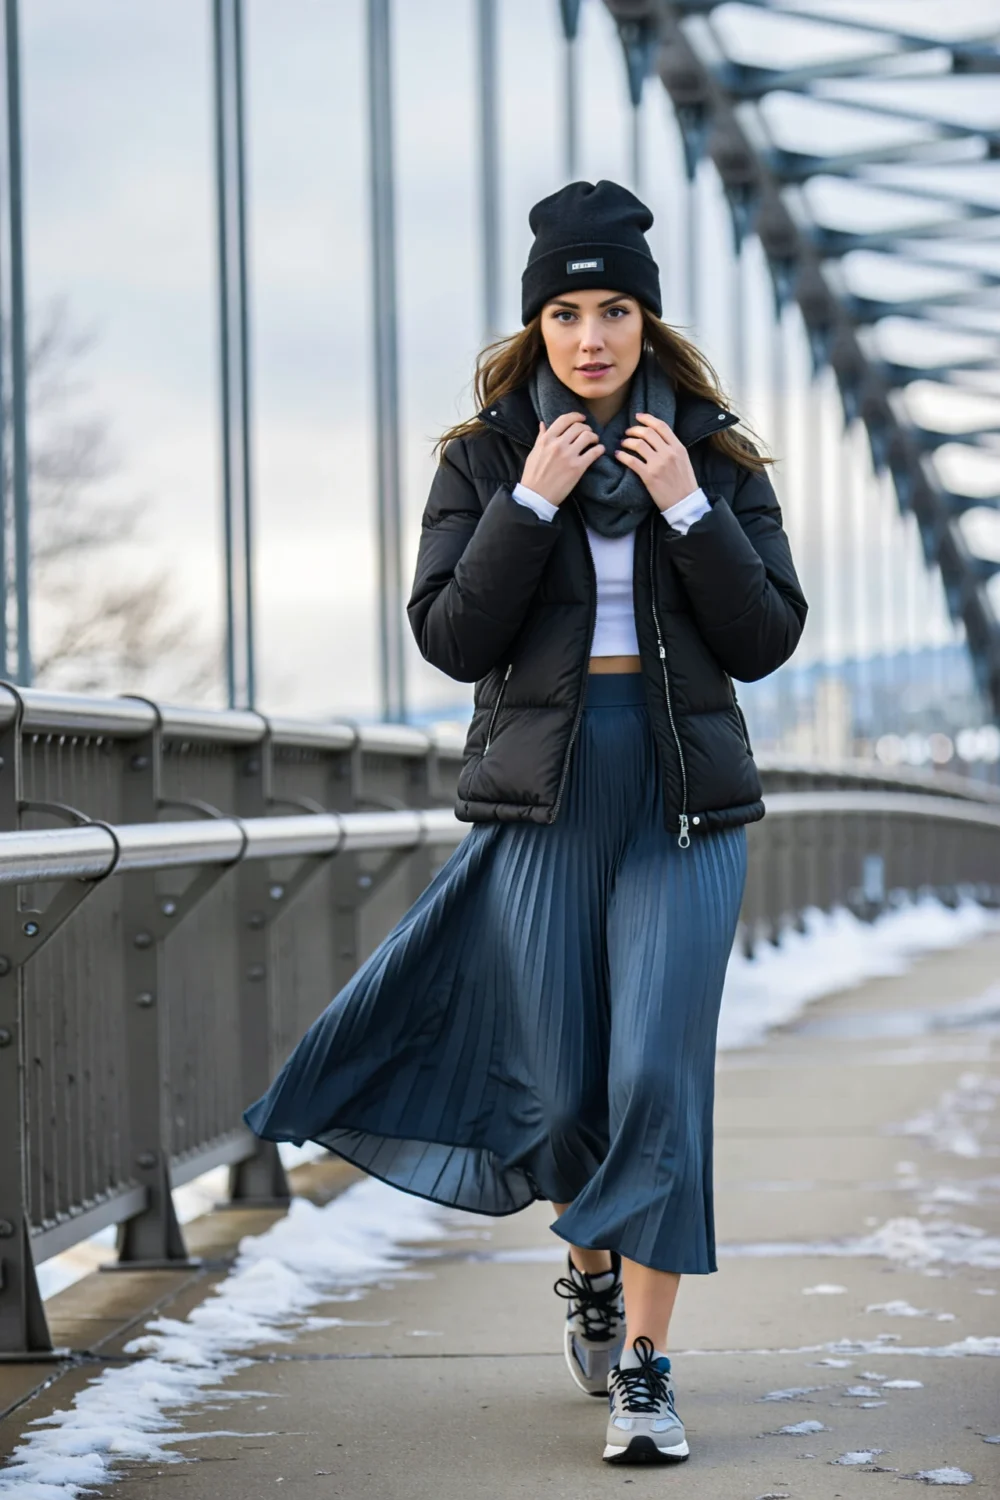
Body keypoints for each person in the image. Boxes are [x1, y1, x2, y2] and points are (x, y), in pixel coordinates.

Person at [246, 179, 807, 1466]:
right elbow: (450, 638)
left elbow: (766, 638)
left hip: (681, 808)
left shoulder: (711, 456)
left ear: (647, 323)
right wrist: (531, 504)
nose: (593, 335)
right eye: (567, 311)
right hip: (544, 807)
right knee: (562, 1088)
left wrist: (687, 511)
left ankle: (651, 1374)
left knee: (657, 1075)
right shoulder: (484, 458)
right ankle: (591, 1273)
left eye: (616, 309)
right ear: (537, 326)